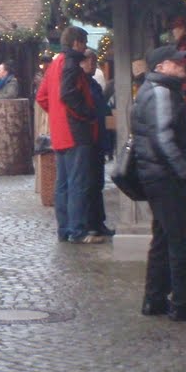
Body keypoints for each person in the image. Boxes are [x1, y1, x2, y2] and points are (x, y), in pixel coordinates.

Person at [132, 46, 186, 322]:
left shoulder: (152, 90)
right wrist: (184, 170)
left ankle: (154, 299)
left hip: (156, 175)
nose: (182, 64)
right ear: (161, 66)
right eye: (176, 61)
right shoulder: (161, 92)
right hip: (165, 177)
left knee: (164, 238)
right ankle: (182, 302)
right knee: (182, 240)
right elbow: (163, 138)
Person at [37, 26, 103, 244]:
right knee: (78, 183)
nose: (84, 48)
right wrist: (86, 113)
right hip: (76, 131)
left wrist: (57, 113)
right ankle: (78, 230)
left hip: (60, 131)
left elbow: (42, 97)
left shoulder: (55, 63)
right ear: (76, 43)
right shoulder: (72, 64)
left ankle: (65, 229)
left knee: (63, 183)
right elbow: (68, 94)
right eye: (83, 43)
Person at [81, 49, 114, 239]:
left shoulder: (93, 84)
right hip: (89, 139)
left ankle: (98, 222)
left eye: (94, 61)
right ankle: (90, 223)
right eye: (89, 61)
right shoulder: (83, 84)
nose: (92, 65)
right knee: (89, 183)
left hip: (99, 138)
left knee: (97, 182)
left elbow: (103, 109)